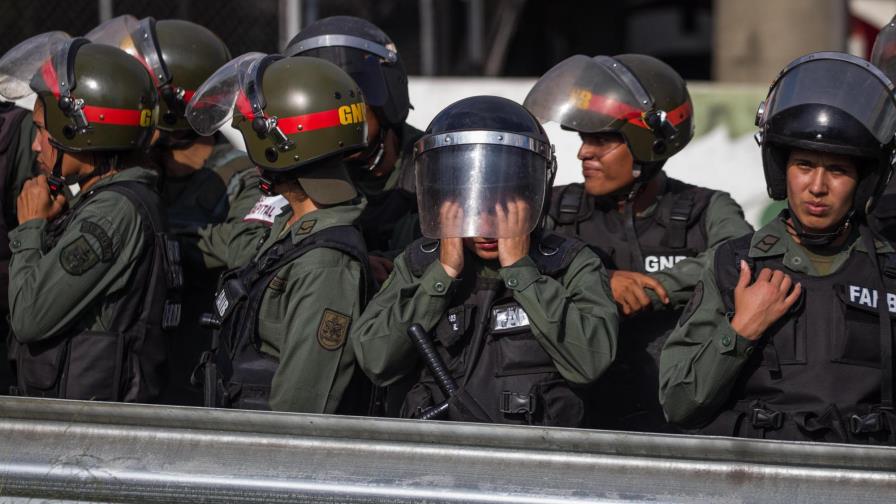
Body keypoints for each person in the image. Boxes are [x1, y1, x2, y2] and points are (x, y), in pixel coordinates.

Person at [660, 52, 896, 444]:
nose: (817, 187)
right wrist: (741, 330)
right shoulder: (734, 265)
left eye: (837, 170)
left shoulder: (889, 273)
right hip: (759, 480)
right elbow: (678, 401)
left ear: (864, 182)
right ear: (781, 170)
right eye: (804, 165)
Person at [352, 96, 619, 427]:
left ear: (534, 191)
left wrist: (522, 273)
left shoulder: (569, 264)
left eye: (506, 201)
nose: (487, 219)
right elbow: (376, 361)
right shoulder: (419, 264)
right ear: (446, 200)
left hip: (534, 464)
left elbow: (589, 362)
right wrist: (443, 276)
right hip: (433, 463)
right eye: (471, 201)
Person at [523, 54, 753, 432]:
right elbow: (513, 266)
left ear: (650, 144)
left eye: (602, 140)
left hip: (677, 420)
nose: (584, 152)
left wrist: (660, 286)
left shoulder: (708, 208)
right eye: (584, 138)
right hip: (572, 420)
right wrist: (598, 280)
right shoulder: (550, 207)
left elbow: (741, 260)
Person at [188, 54, 373, 413]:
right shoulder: (291, 229)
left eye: (252, 140)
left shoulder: (324, 265)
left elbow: (300, 408)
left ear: (285, 144)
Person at [0, 33, 180, 402]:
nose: (36, 146)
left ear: (81, 133)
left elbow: (29, 317)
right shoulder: (110, 201)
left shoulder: (113, 214)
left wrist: (31, 228)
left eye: (41, 131)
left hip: (87, 433)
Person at [88, 15, 250, 405]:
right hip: (127, 369)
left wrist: (158, 235)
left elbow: (244, 248)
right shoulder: (133, 164)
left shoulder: (240, 176)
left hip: (194, 372)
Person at [286, 16, 423, 281]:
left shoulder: (433, 160)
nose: (337, 114)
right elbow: (252, 246)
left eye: (351, 97)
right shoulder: (293, 170)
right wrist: (346, 261)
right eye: (321, 101)